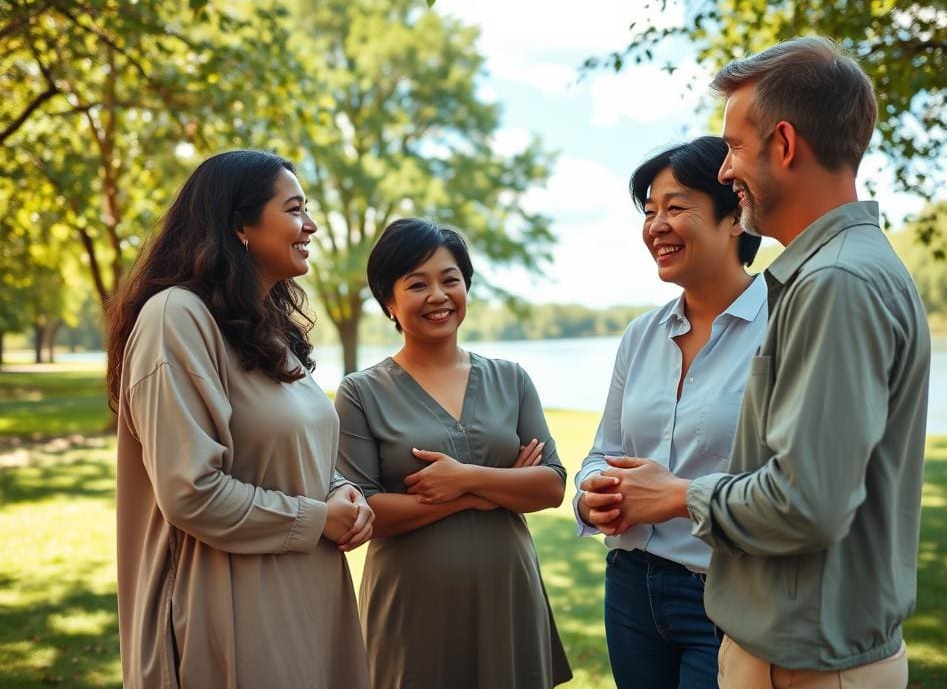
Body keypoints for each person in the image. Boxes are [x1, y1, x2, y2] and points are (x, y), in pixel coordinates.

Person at [603, 37, 930, 688]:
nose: (725, 170)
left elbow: (806, 501)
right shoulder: (834, 272)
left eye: (734, 147)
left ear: (783, 144)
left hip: (806, 665)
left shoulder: (836, 282)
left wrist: (674, 496)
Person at [107, 150, 373, 688]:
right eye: (295, 209)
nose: (311, 225)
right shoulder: (175, 318)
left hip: (309, 598)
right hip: (227, 609)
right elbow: (191, 491)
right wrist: (315, 519)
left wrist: (343, 489)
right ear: (239, 224)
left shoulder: (266, 325)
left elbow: (296, 448)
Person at [334, 217, 573, 689]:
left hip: (508, 597)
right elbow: (364, 513)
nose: (439, 296)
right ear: (390, 303)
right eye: (417, 284)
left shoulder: (512, 378)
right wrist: (488, 491)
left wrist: (465, 478)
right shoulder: (361, 393)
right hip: (413, 607)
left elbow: (550, 485)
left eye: (450, 280)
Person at [574, 136, 764, 688]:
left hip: (726, 590)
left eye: (676, 207)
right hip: (631, 587)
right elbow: (601, 454)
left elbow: (794, 482)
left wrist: (674, 496)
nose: (656, 224)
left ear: (734, 217)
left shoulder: (784, 326)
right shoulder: (641, 335)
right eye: (650, 211)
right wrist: (594, 495)